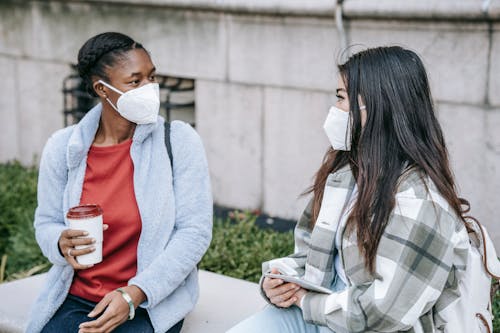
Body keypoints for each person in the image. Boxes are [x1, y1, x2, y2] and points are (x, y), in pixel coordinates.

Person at [227, 46, 472, 332]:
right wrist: (280, 281)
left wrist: (308, 302)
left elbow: (387, 313)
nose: (336, 110)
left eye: (343, 98)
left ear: (382, 107)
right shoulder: (344, 172)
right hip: (323, 312)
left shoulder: (421, 200)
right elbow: (310, 256)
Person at [27, 32, 213, 333]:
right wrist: (60, 243)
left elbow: (194, 232)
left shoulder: (178, 141)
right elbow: (46, 221)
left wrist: (134, 294)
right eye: (135, 81)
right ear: (103, 89)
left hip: (147, 302)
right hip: (74, 300)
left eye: (152, 77)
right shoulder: (62, 147)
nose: (150, 88)